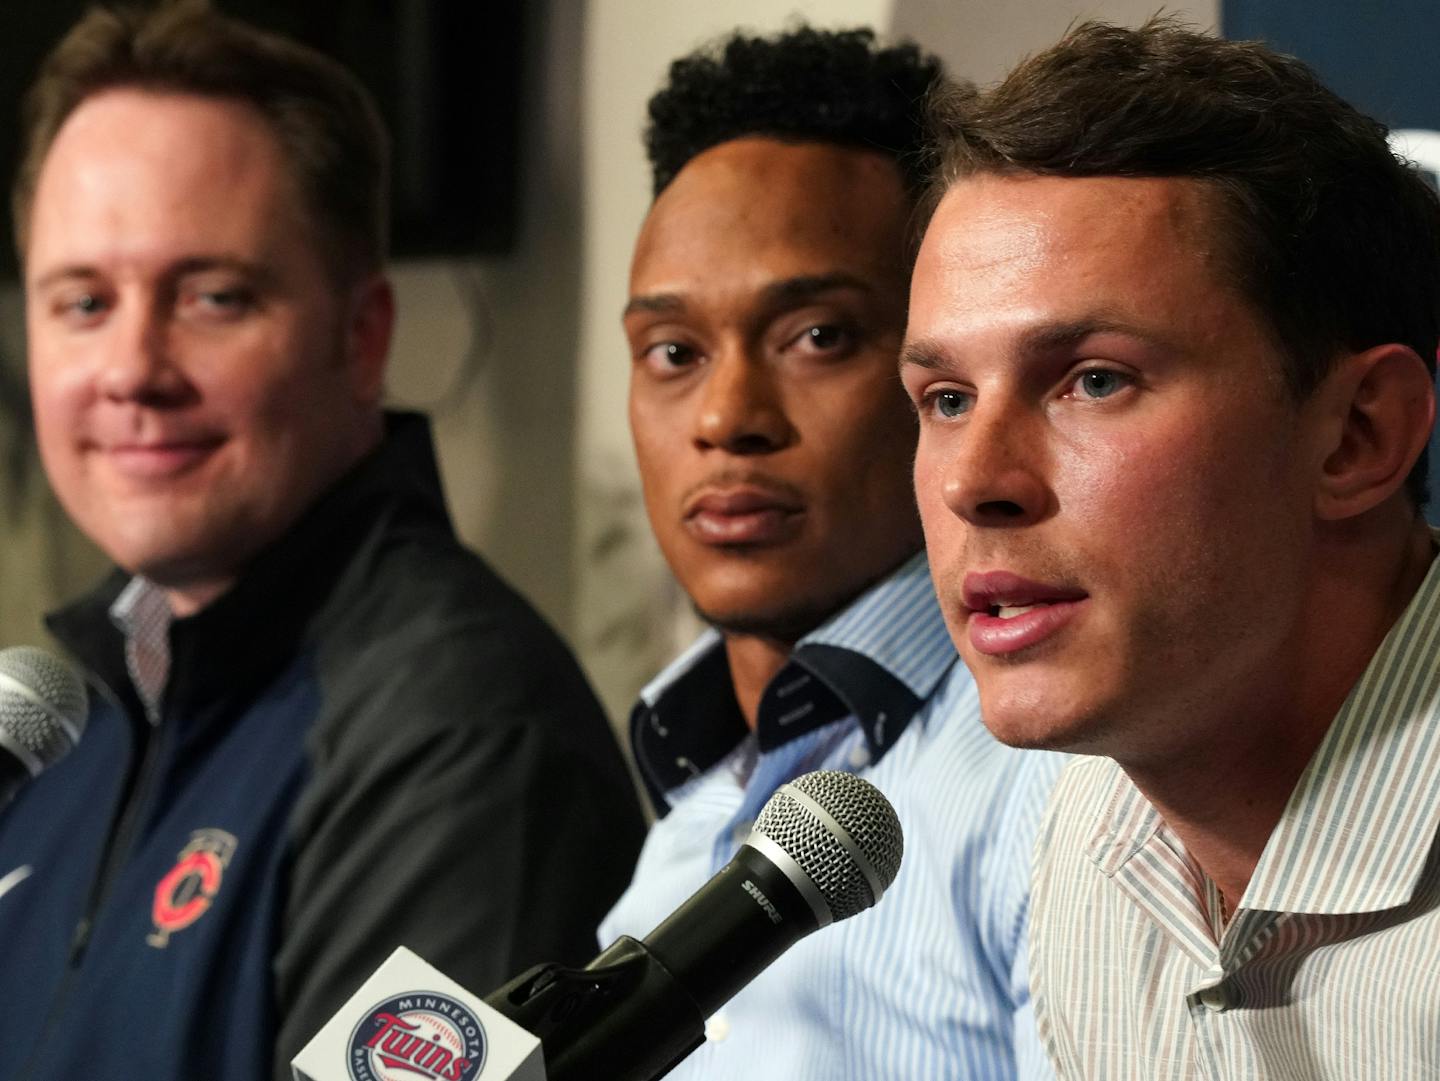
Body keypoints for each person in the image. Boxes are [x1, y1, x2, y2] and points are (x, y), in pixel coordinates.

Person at [0, 7, 644, 1080]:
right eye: (82, 302)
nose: (132, 368)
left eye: (212, 296)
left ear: (362, 337)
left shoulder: (465, 741)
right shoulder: (67, 726)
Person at [902, 18, 1440, 1080]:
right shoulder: (1095, 841)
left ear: (1358, 435)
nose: (974, 481)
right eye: (947, 398)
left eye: (1094, 379)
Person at [599, 26, 1064, 1079]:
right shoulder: (694, 780)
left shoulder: (1051, 775)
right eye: (673, 352)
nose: (728, 418)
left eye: (817, 336)